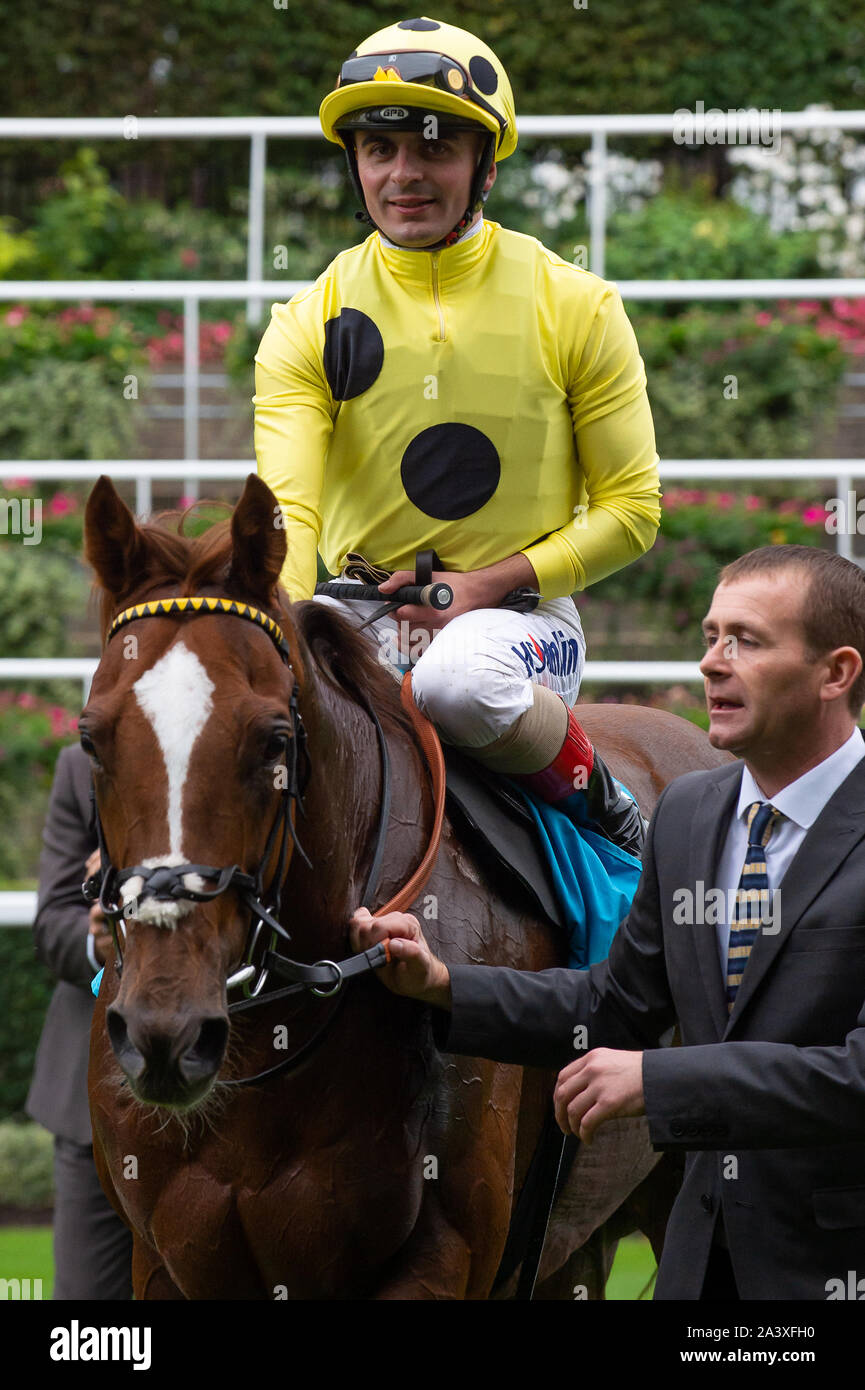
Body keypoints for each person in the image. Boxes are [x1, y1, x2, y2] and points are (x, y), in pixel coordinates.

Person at [351, 544, 865, 1300]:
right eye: (709, 636)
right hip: (700, 1266)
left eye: (746, 641)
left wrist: (659, 1080)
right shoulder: (691, 815)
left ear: (836, 672)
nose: (711, 664)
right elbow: (612, 1006)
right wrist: (443, 987)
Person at [254, 16, 661, 856]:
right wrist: (284, 630)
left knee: (457, 681)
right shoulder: (305, 323)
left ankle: (607, 806)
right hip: (356, 611)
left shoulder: (577, 306)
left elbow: (632, 509)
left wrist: (484, 586)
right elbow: (287, 510)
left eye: (432, 149)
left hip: (518, 621)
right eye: (378, 149)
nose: (403, 174)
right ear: (354, 162)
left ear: (484, 163)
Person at [26, 741, 133, 1300]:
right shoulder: (79, 767)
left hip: (227, 1099)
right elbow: (52, 923)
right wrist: (96, 939)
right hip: (90, 1104)